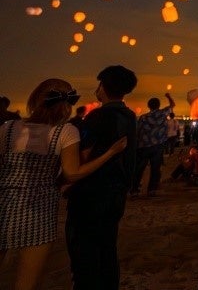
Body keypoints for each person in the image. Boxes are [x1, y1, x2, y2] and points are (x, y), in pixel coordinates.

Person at [0, 79, 127, 290]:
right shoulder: (65, 132)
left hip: (4, 204)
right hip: (39, 210)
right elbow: (73, 173)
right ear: (67, 105)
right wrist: (110, 153)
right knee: (26, 284)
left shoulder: (9, 128)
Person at [65, 65, 138, 290]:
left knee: (84, 254)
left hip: (90, 193)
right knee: (107, 249)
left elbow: (83, 155)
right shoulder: (130, 116)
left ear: (104, 87)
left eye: (99, 84)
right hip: (116, 193)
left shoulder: (97, 116)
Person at [131, 92, 174, 197]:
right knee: (155, 168)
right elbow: (172, 105)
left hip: (144, 146)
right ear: (158, 105)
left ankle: (134, 190)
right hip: (158, 146)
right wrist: (168, 97)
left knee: (139, 168)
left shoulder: (143, 117)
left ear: (148, 106)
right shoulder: (163, 114)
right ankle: (152, 190)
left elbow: (137, 131)